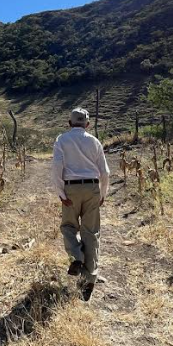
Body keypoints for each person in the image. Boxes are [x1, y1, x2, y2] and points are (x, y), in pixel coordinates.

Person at [51, 107, 110, 301]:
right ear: (88, 124)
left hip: (70, 189)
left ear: (69, 123)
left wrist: (61, 192)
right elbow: (105, 172)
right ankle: (90, 278)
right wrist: (102, 194)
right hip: (92, 188)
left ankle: (77, 257)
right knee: (91, 232)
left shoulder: (62, 140)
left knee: (68, 227)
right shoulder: (94, 141)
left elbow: (57, 167)